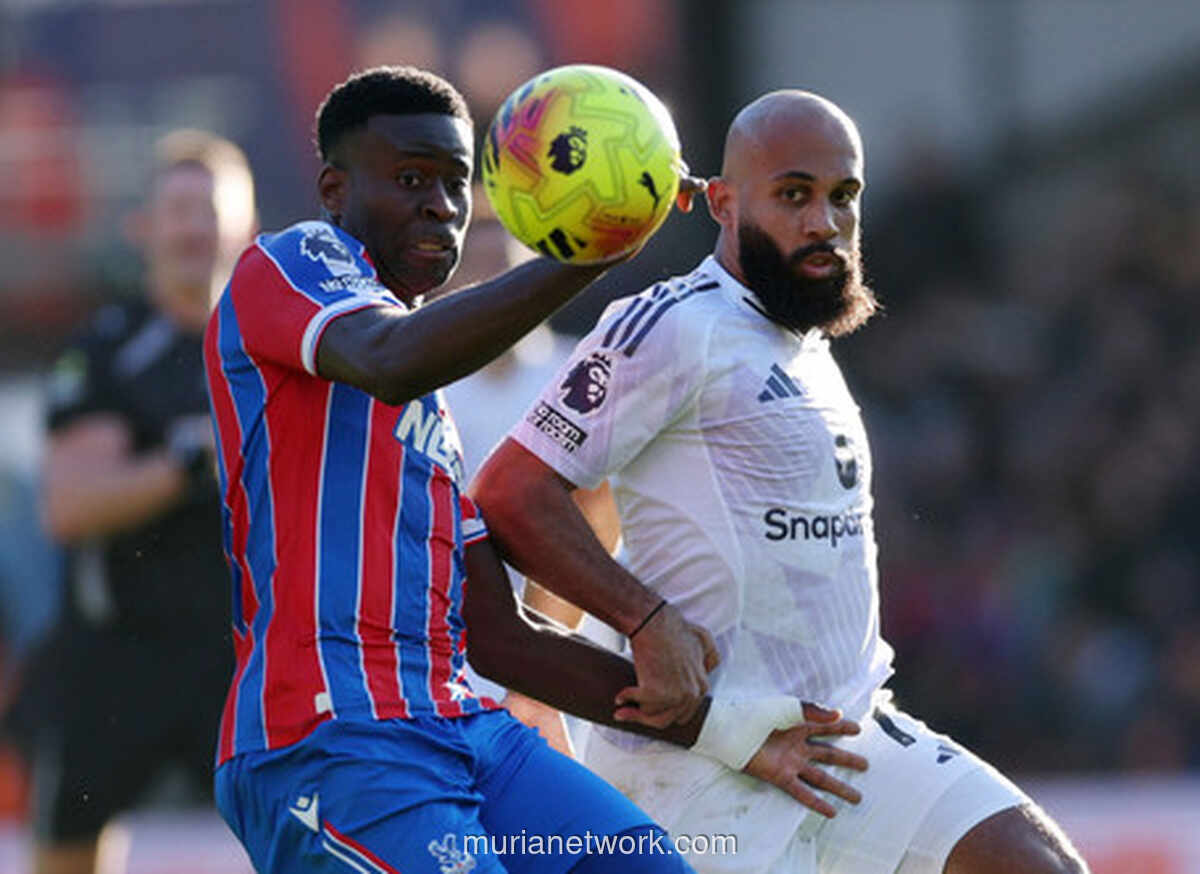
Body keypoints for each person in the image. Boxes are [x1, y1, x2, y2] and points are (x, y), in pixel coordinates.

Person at [205, 67, 868, 874]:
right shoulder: (287, 265)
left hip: (464, 731)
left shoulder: (430, 419)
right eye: (411, 179)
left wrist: (730, 732)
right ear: (335, 189)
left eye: (456, 184)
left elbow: (504, 638)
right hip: (331, 742)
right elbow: (387, 358)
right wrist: (594, 250)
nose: (441, 207)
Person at [471, 90, 1091, 874]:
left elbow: (601, 501)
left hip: (846, 739)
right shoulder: (673, 323)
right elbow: (512, 490)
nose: (824, 221)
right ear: (724, 204)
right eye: (793, 195)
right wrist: (640, 619)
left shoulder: (803, 338)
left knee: (1037, 864)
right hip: (703, 768)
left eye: (843, 197)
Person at [26, 128, 257, 874]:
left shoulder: (280, 348)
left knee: (305, 841)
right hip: (119, 653)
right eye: (179, 209)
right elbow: (68, 506)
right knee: (67, 851)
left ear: (247, 228)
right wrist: (192, 461)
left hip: (246, 653)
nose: (195, 227)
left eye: (210, 209)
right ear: (144, 229)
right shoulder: (108, 348)